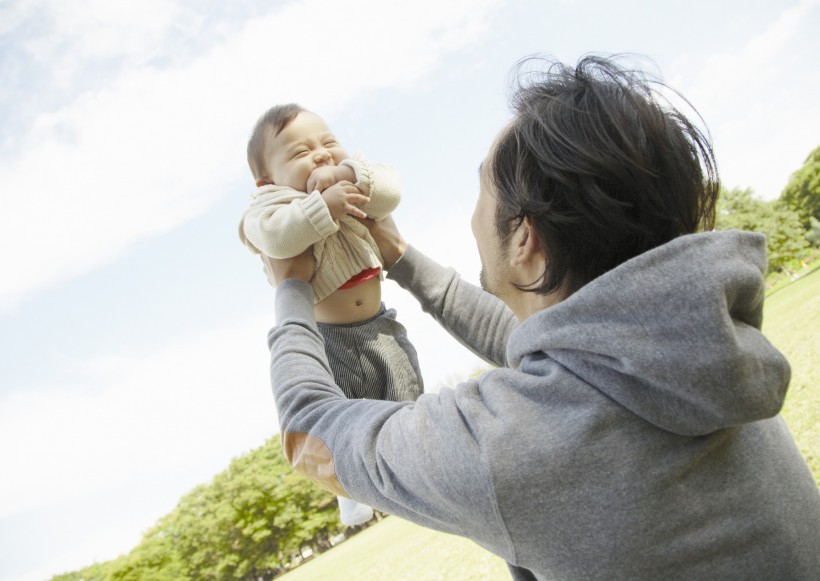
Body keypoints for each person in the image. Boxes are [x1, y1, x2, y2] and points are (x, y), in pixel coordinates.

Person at [262, 56, 820, 579]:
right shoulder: (697, 350)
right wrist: (401, 259)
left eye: (481, 188)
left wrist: (290, 285)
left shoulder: (505, 451)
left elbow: (312, 431)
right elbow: (526, 343)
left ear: (524, 236)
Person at [239, 104, 424, 525]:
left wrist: (348, 178)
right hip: (330, 338)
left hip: (381, 325)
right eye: (300, 152)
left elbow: (391, 191)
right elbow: (278, 238)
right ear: (267, 180)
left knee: (406, 398)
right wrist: (322, 205)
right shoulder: (271, 205)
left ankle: (415, 477)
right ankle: (351, 490)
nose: (321, 155)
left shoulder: (355, 175)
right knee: (344, 418)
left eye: (328, 142)